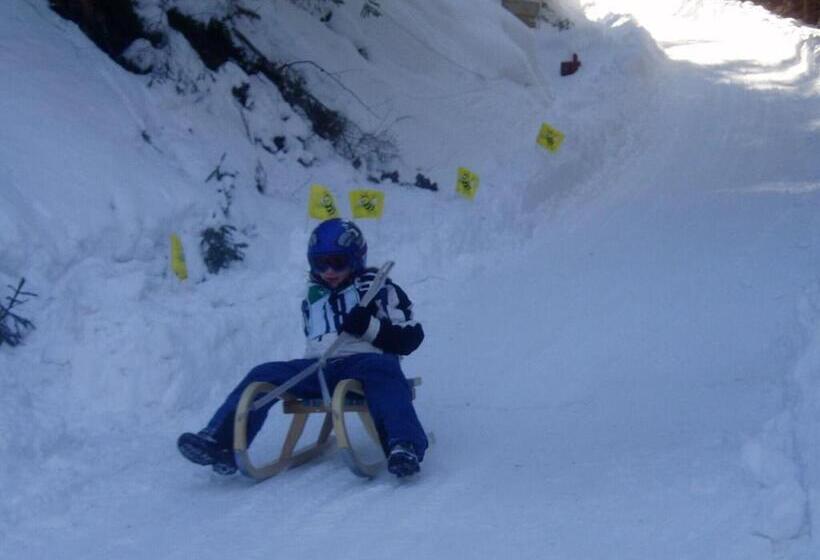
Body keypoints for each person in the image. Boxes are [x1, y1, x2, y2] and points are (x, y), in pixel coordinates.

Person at [177, 218, 428, 478]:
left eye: (338, 262)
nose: (329, 271)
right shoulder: (314, 296)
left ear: (356, 259)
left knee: (384, 369)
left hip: (364, 365)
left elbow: (411, 337)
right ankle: (220, 442)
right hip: (318, 368)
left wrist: (369, 326)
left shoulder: (378, 289)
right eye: (320, 264)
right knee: (262, 373)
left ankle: (403, 445)